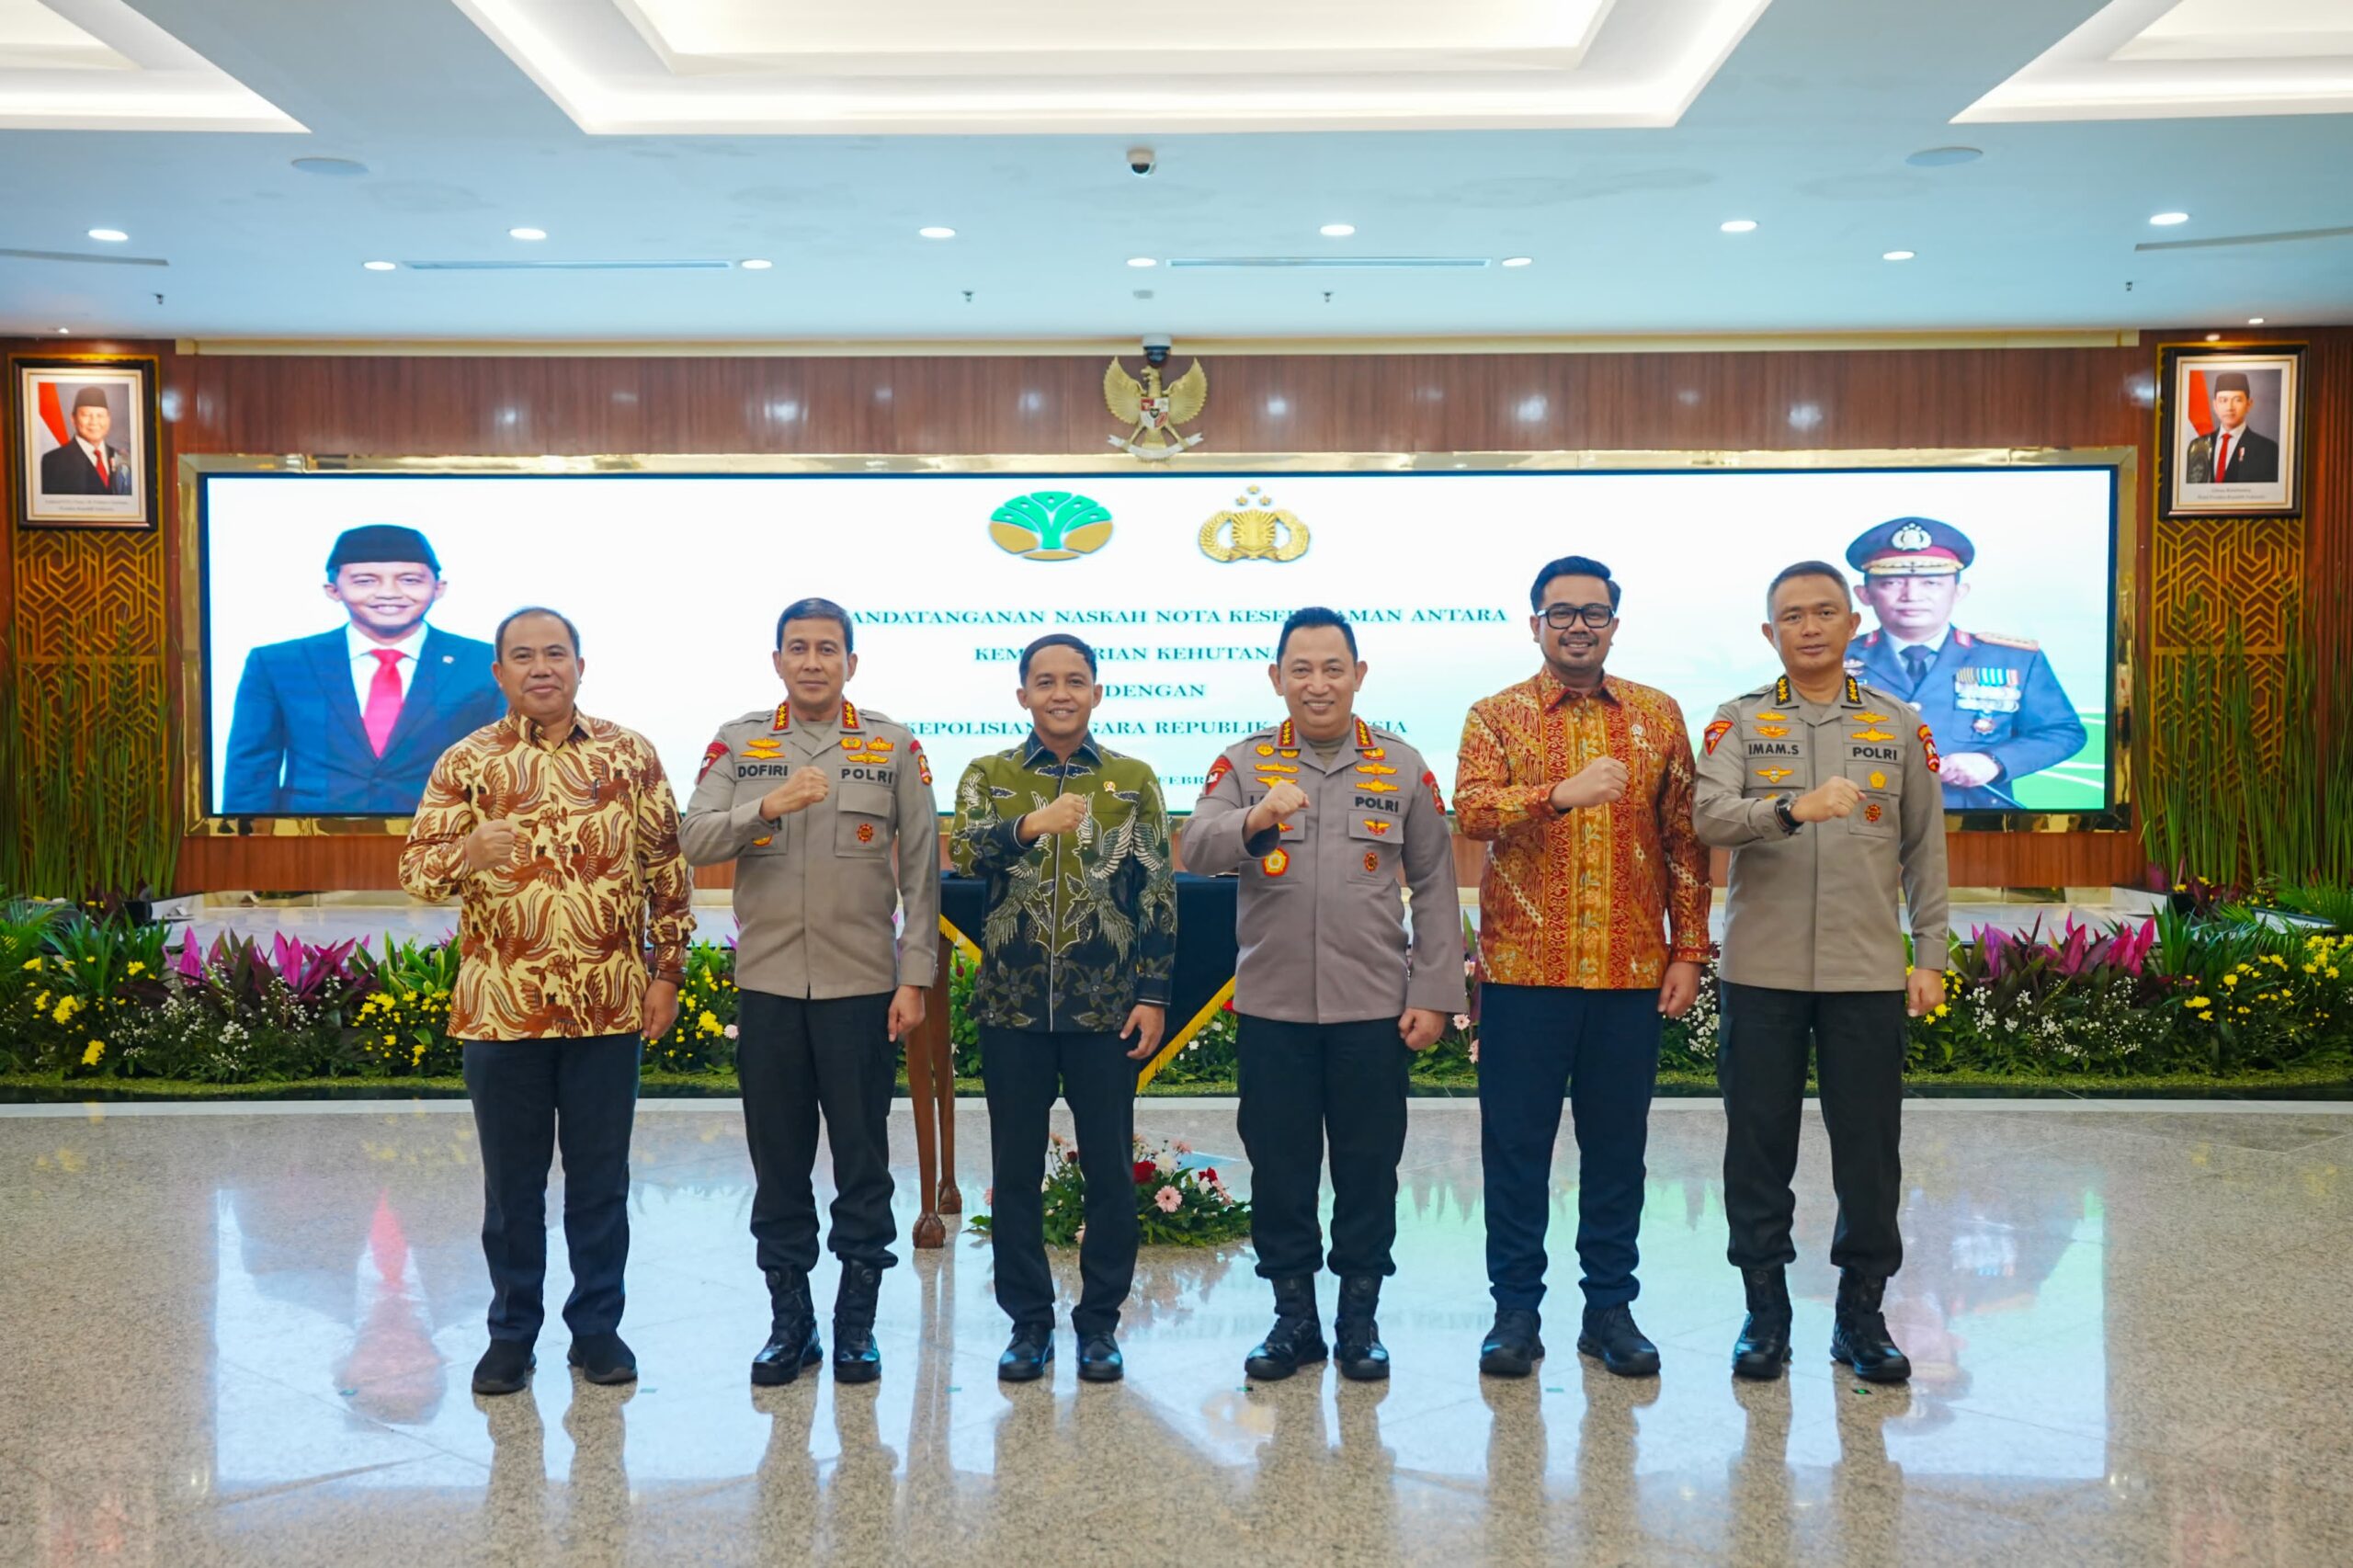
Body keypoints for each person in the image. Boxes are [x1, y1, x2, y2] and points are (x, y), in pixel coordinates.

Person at [397, 606, 693, 1397]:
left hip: (607, 1007)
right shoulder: (467, 761)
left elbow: (668, 873)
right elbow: (416, 873)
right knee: (512, 1190)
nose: (541, 668)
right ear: (499, 673)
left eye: (555, 654)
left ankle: (597, 1330)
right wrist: (466, 852)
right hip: (504, 1012)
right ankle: (510, 1335)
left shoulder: (629, 755)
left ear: (580, 666)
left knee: (601, 1184)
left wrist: (668, 974)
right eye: (523, 656)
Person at [1184, 608, 1465, 1384]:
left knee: (1369, 1169)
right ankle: (1294, 1319)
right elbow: (1197, 848)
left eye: (1332, 668)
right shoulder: (1244, 763)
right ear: (1277, 678)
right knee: (1280, 1169)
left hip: (1371, 1010)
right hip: (1273, 1009)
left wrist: (1434, 991)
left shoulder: (1401, 767)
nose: (1317, 684)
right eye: (1300, 669)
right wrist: (1254, 817)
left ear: (1358, 675)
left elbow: (1435, 884)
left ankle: (1359, 1319)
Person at [1453, 556, 1711, 1380]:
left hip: (1628, 974)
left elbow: (1684, 842)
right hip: (1524, 977)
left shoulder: (1658, 715)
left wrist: (1690, 949)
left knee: (1617, 1153)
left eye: (1593, 613)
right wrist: (1558, 794)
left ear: (1613, 625)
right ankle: (1515, 1313)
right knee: (1516, 1152)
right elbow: (1473, 810)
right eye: (1560, 612)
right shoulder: (1496, 715)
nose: (1576, 626)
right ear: (1535, 624)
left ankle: (1610, 1310)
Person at [1693, 562, 1949, 1385]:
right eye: (1793, 616)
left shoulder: (1898, 724)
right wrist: (1788, 810)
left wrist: (1930, 956)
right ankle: (1765, 1314)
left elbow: (1925, 850)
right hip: (1762, 972)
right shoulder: (1738, 721)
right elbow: (1706, 816)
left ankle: (1861, 1317)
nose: (1809, 627)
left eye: (1825, 612)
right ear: (1770, 633)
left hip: (1865, 972)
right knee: (1757, 1146)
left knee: (1869, 1152)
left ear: (1852, 625)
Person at [681, 597, 940, 1387]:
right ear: (778, 662)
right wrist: (767, 805)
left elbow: (922, 872)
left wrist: (915, 977)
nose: (813, 662)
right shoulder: (739, 742)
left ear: (851, 663)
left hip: (862, 988)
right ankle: (790, 1324)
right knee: (779, 1162)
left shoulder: (893, 745)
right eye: (798, 648)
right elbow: (693, 837)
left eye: (829, 649)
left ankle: (856, 1324)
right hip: (769, 988)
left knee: (862, 1161)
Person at [950, 633, 1176, 1386]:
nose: (1060, 693)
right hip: (1012, 1011)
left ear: (1096, 693)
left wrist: (1153, 995)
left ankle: (1100, 1324)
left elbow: (1156, 894)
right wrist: (1028, 827)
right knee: (1015, 1173)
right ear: (1022, 695)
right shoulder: (990, 775)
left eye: (1075, 680)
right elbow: (964, 853)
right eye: (1044, 681)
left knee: (1109, 1172)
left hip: (1104, 1013)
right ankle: (1028, 1324)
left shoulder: (1132, 780)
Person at [222, 525, 504, 814]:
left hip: (446, 833)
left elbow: (507, 766)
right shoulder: (278, 664)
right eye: (365, 581)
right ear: (333, 590)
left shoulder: (486, 663)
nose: (389, 593)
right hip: (310, 834)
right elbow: (251, 770)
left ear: (438, 588)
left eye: (409, 580)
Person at [1841, 517, 2086, 810]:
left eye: (1931, 583)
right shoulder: (1829, 661)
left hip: (1976, 821)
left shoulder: (2015, 660)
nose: (1912, 596)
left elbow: (2063, 731)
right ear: (1864, 594)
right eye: (1891, 583)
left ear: (1959, 592)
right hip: (1863, 820)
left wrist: (1993, 762)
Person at [2185, 370, 2279, 484]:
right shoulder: (2198, 446)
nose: (2229, 407)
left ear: (2249, 404)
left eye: (2237, 400)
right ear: (2215, 405)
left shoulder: (2267, 450)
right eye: (2223, 400)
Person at [37, 387, 134, 496]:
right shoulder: (53, 461)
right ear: (73, 419)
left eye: (100, 415)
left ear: (109, 419)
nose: (94, 422)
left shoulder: (122, 458)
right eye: (86, 415)